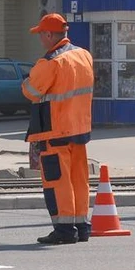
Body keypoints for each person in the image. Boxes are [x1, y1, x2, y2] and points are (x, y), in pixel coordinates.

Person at [21, 13, 95, 245]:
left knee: (57, 181)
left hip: (55, 130)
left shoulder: (51, 62)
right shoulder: (84, 55)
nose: (40, 40)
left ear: (50, 34)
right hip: (79, 128)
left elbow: (30, 91)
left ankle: (64, 229)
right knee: (78, 179)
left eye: (41, 35)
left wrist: (25, 81)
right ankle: (81, 226)